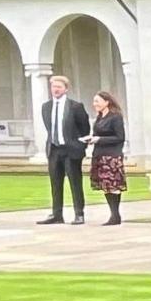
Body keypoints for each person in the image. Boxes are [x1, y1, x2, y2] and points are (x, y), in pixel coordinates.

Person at [39, 74, 89, 226]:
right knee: (55, 183)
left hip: (71, 150)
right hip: (54, 150)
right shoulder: (46, 107)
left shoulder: (75, 106)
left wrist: (80, 146)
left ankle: (79, 214)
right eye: (54, 87)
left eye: (59, 87)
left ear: (66, 89)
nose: (56, 89)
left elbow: (85, 129)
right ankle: (56, 214)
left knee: (75, 183)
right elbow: (49, 128)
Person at [87, 91, 127, 225]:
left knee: (113, 185)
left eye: (97, 101)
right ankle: (113, 214)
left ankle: (115, 215)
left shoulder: (115, 117)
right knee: (105, 186)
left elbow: (119, 137)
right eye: (94, 101)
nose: (95, 104)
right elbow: (96, 134)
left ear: (106, 102)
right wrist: (91, 139)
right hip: (99, 155)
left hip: (111, 156)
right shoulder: (99, 117)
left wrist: (99, 139)